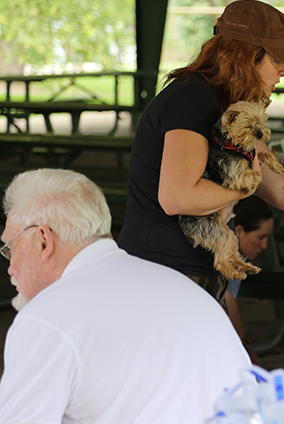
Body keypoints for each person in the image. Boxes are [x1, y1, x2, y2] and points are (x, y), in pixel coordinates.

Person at [118, 0, 284, 305]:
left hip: (193, 275)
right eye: (277, 61)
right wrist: (243, 188)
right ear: (248, 58)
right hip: (161, 274)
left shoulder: (234, 111)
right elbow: (178, 197)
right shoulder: (192, 98)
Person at [0, 168, 251, 423]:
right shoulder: (180, 286)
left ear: (43, 240)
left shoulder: (46, 317)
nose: (10, 268)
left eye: (11, 249)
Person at [224, 195, 275, 363]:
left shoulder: (236, 261)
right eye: (260, 237)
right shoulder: (223, 260)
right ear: (238, 231)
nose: (265, 246)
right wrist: (244, 349)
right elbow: (225, 298)